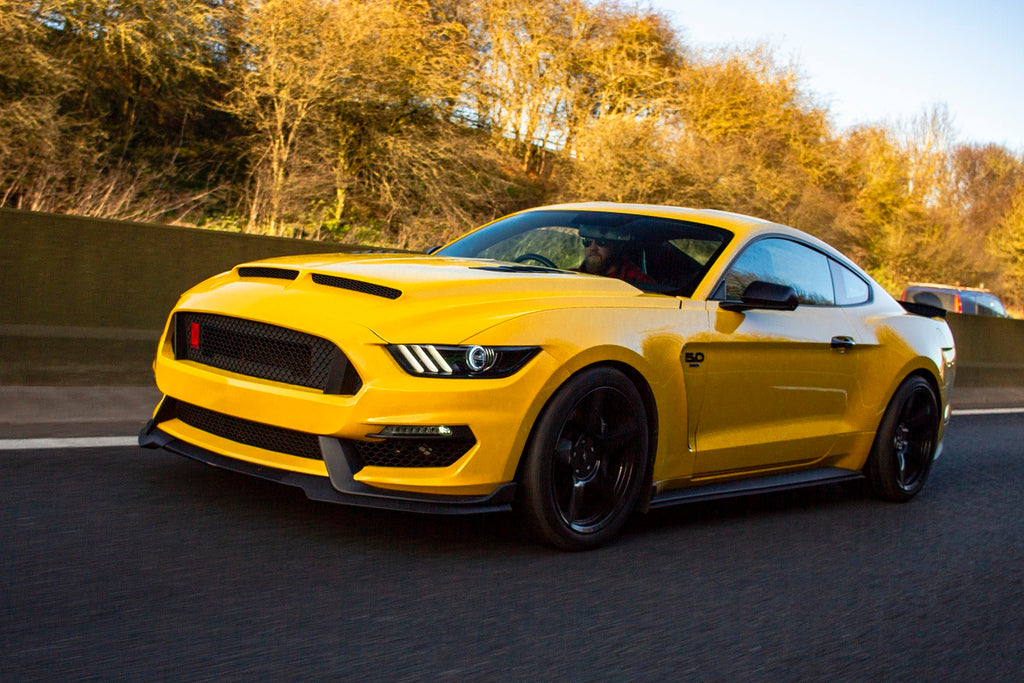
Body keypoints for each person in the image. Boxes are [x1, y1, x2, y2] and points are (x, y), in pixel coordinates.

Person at [577, 227, 653, 282]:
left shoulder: (639, 282)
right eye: (587, 242)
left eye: (601, 242)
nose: (592, 248)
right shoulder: (570, 277)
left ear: (617, 246)